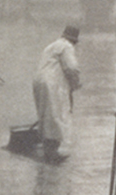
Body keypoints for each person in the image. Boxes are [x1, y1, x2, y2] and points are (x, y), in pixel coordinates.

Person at [32, 25, 81, 163]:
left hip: (39, 81)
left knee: (46, 115)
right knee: (56, 116)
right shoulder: (67, 47)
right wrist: (75, 84)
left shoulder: (51, 46)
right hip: (53, 83)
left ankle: (48, 149)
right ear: (74, 40)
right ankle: (51, 153)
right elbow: (72, 68)